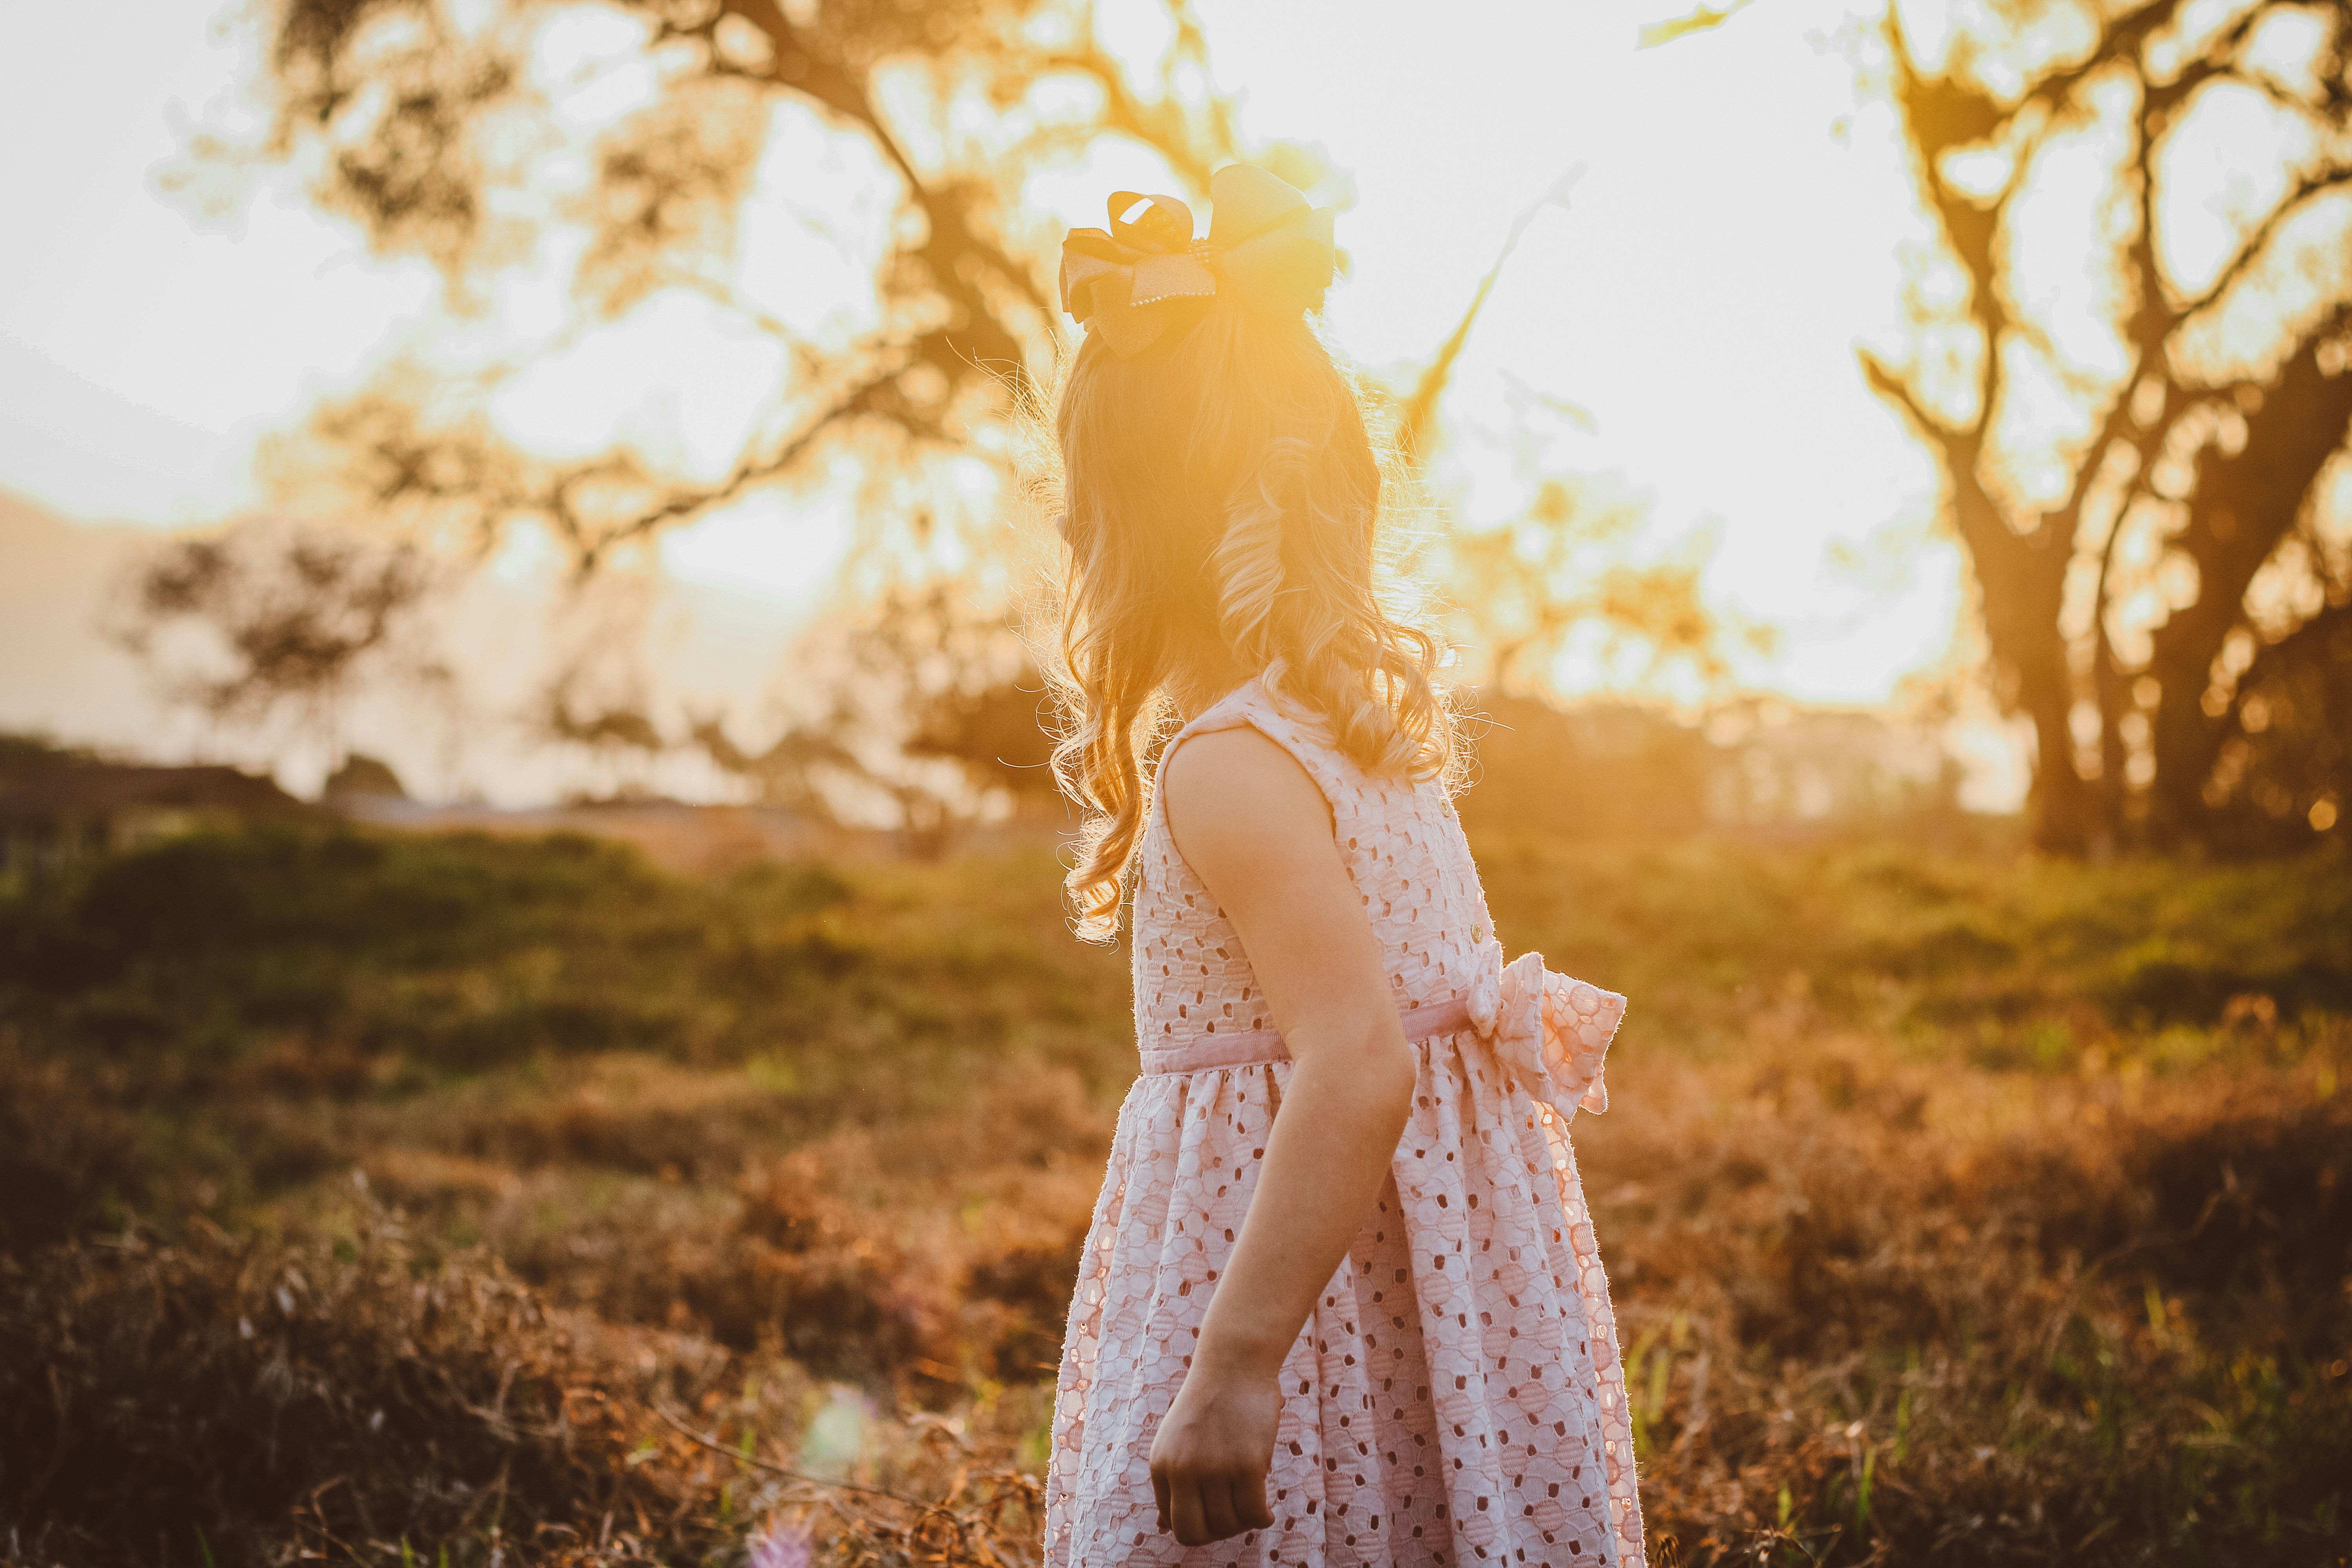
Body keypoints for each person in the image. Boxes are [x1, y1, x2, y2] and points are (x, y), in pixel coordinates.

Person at [1039, 163, 1644, 1568]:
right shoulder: (1355, 731)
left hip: (1298, 1313)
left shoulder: (1232, 763)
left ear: (1126, 519)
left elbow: (1362, 1060)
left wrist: (1234, 1366)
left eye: (1084, 495)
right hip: (1418, 1294)